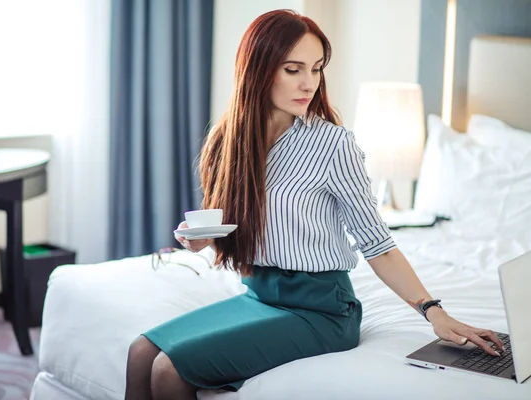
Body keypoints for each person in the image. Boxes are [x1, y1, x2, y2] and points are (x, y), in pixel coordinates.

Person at [124, 9, 503, 400]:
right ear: (259, 69)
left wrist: (433, 311)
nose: (309, 83)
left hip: (322, 312)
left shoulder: (332, 144)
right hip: (259, 295)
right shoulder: (229, 140)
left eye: (317, 68)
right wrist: (207, 240)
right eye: (293, 69)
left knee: (170, 370)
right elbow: (247, 225)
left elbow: (377, 244)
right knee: (141, 353)